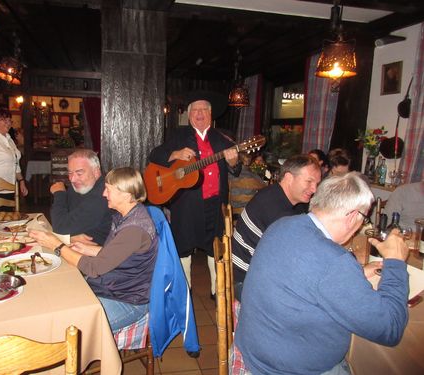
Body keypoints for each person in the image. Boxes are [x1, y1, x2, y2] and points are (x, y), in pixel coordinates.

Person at [234, 172, 409, 375]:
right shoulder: (333, 262)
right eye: (363, 218)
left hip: (258, 350)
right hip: (283, 369)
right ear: (353, 216)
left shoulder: (283, 225)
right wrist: (395, 262)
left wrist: (357, 274)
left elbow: (305, 277)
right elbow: (390, 328)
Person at [29, 167, 158, 333]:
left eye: (108, 190)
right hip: (112, 287)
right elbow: (120, 254)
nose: (104, 194)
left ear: (126, 194)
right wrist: (89, 249)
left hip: (128, 301)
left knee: (65, 326)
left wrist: (56, 245)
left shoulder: (134, 229)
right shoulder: (126, 214)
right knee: (54, 296)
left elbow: (94, 268)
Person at [148, 91, 240, 298]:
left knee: (216, 248)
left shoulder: (223, 140)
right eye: (195, 110)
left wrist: (233, 162)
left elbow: (236, 168)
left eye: (204, 110)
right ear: (189, 115)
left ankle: (218, 292)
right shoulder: (178, 136)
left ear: (210, 114)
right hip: (186, 204)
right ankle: (185, 290)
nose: (200, 113)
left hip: (216, 204)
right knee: (183, 247)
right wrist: (174, 154)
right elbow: (154, 155)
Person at [231, 154, 321, 301]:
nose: (314, 189)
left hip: (253, 273)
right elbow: (298, 257)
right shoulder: (275, 208)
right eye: (309, 181)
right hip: (245, 281)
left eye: (317, 183)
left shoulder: (279, 197)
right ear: (289, 178)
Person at [50, 149, 112, 245]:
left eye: (79, 173)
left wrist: (59, 193)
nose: (72, 179)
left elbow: (60, 227)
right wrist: (70, 237)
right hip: (81, 248)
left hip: (101, 254)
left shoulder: (103, 195)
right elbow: (61, 218)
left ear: (96, 172)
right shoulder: (82, 185)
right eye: (70, 173)